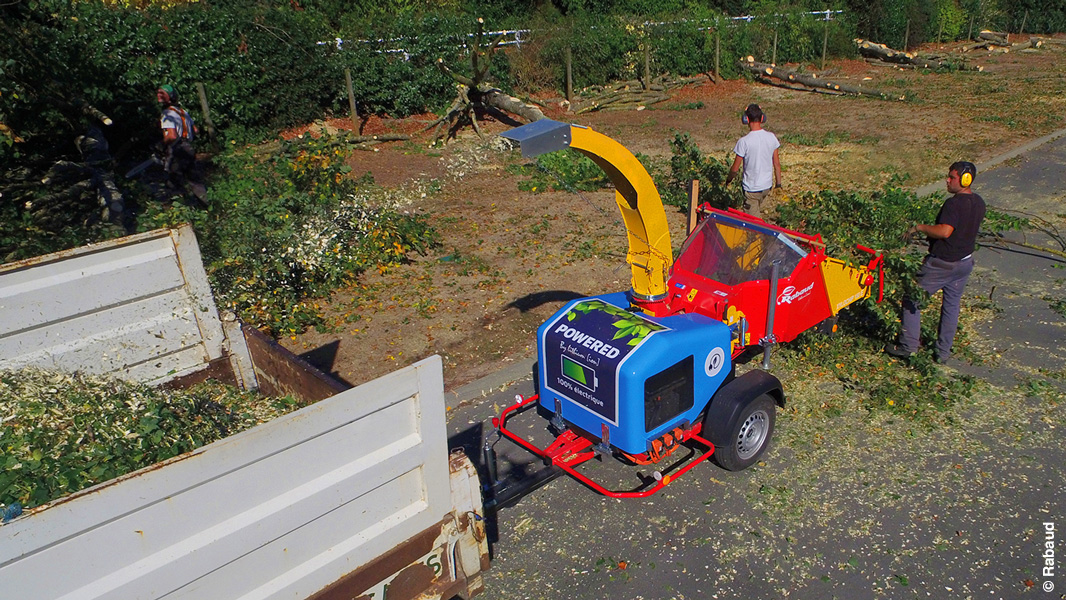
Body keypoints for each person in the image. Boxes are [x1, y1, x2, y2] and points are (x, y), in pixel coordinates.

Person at [885, 161, 986, 364]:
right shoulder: (979, 202)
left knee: (913, 299)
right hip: (964, 263)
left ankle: (908, 346)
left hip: (942, 264)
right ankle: (943, 352)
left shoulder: (954, 204)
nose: (947, 181)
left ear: (966, 179)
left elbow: (945, 231)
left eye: (952, 177)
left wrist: (920, 228)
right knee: (951, 306)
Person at [724, 103, 782, 220]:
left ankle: (759, 238)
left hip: (752, 190)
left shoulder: (744, 142)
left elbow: (735, 169)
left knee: (753, 224)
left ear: (746, 119)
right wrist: (778, 184)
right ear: (762, 118)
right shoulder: (771, 137)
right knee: (756, 212)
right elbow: (776, 163)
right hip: (766, 187)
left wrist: (728, 180)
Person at [156, 84, 207, 205]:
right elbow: (195, 130)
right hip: (188, 147)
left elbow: (172, 136)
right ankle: (205, 205)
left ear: (170, 96)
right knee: (194, 180)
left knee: (173, 180)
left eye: (162, 93)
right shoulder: (183, 112)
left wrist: (161, 145)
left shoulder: (167, 114)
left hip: (176, 149)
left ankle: (179, 209)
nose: (159, 95)